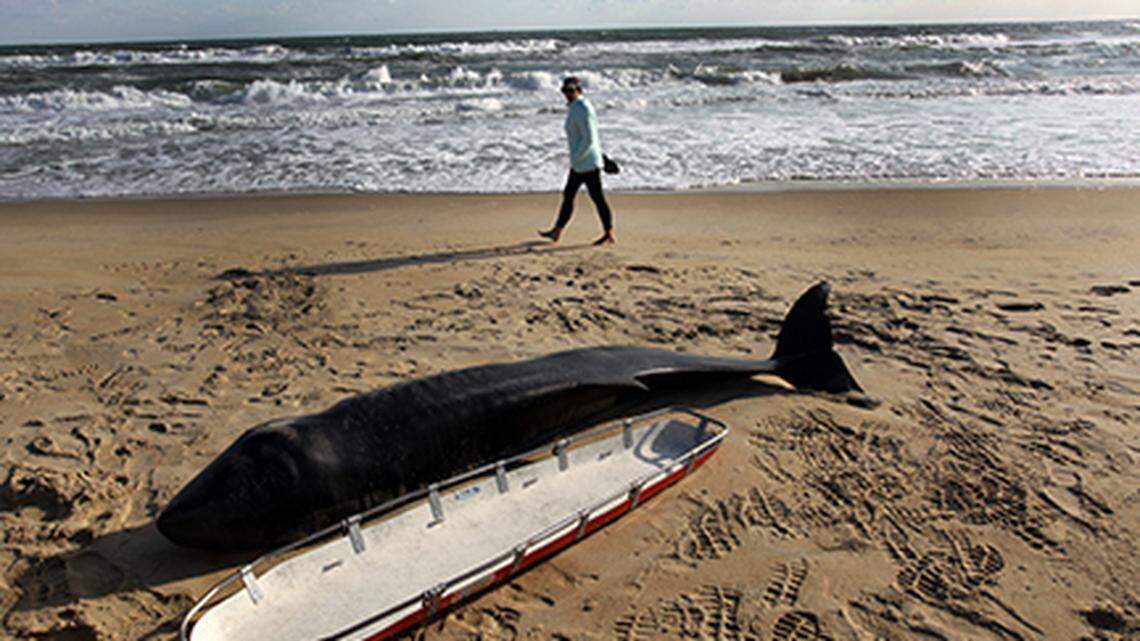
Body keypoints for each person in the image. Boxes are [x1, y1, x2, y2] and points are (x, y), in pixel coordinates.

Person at [539, 76, 615, 246]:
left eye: (571, 90)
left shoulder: (582, 107)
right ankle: (557, 231)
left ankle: (608, 233)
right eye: (565, 90)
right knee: (571, 196)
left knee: (595, 198)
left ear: (579, 90)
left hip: (585, 163)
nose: (567, 94)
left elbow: (589, 138)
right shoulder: (575, 107)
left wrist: (576, 158)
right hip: (583, 162)